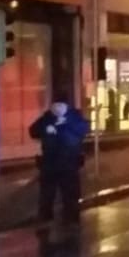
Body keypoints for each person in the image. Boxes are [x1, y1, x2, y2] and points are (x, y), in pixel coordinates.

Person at [29, 91, 90, 227]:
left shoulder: (75, 118)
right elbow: (33, 131)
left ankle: (71, 217)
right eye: (55, 105)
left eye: (60, 105)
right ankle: (45, 217)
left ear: (66, 106)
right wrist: (46, 128)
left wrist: (63, 126)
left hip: (69, 162)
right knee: (47, 193)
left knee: (70, 192)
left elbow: (81, 131)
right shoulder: (47, 118)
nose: (57, 108)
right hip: (50, 163)